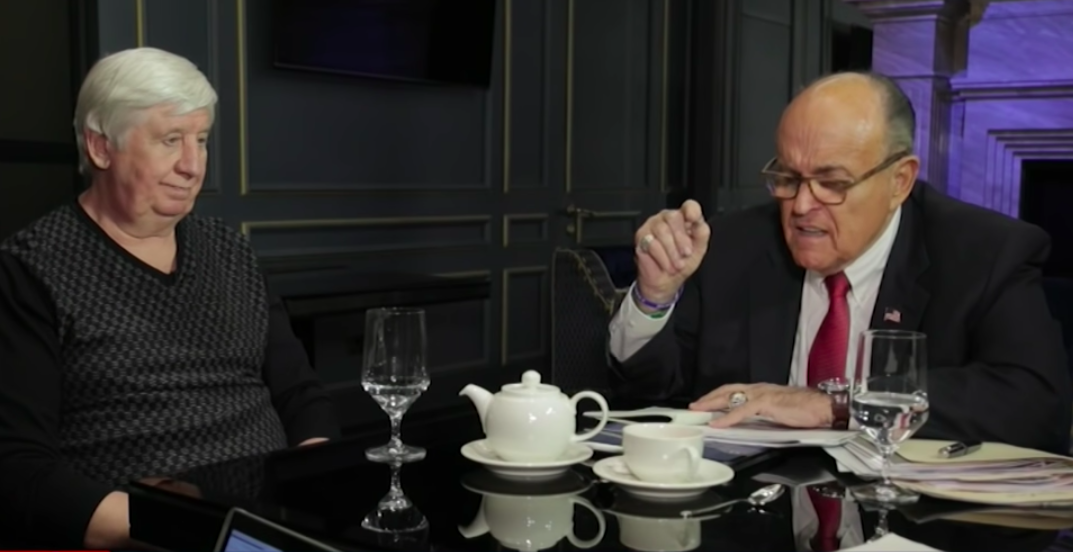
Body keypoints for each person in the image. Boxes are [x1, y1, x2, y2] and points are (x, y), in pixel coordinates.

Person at [607, 71, 1072, 454]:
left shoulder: (984, 252)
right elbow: (651, 392)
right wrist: (654, 297)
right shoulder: (733, 243)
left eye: (831, 183)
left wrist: (836, 403)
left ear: (899, 181)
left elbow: (1036, 404)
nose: (801, 205)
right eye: (788, 177)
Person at [0, 47, 339, 549]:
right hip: (148, 533)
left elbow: (299, 396)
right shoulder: (29, 269)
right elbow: (19, 469)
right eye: (170, 140)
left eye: (201, 140)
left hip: (270, 523)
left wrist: (315, 493)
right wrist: (189, 526)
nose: (192, 165)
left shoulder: (231, 251)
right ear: (100, 147)